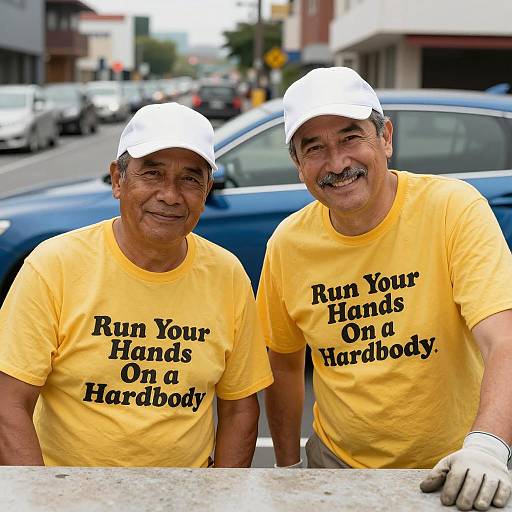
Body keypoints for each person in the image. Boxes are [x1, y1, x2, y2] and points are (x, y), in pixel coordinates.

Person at [257, 67, 512, 510]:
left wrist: (488, 446)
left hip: (457, 468)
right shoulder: (287, 244)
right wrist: (287, 469)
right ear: (299, 166)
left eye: (351, 137)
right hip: (334, 467)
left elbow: (504, 338)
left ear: (386, 138)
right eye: (313, 148)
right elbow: (283, 364)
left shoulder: (452, 209)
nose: (337, 163)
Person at [0, 102, 273, 468]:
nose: (171, 195)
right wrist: (39, 499)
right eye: (153, 174)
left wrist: (221, 498)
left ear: (207, 190)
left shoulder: (227, 275)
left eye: (190, 179)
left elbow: (240, 409)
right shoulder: (54, 266)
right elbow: (9, 402)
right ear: (118, 179)